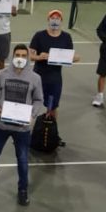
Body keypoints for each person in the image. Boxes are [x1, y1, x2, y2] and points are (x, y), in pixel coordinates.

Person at [0, 44, 44, 205]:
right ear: (13, 56)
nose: (20, 58)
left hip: (22, 128)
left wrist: (32, 115)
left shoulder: (35, 78)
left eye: (23, 56)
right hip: (1, 125)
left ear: (28, 58)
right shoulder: (2, 74)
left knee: (23, 159)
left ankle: (23, 190)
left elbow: (39, 99)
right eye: (17, 55)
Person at [29, 9, 80, 145]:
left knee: (53, 107)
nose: (55, 20)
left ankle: (53, 134)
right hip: (37, 77)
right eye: (53, 17)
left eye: (58, 18)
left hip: (55, 78)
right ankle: (26, 133)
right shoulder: (39, 36)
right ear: (48, 19)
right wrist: (40, 57)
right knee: (32, 104)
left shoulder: (66, 37)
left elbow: (72, 56)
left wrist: (74, 58)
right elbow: (31, 56)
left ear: (61, 21)